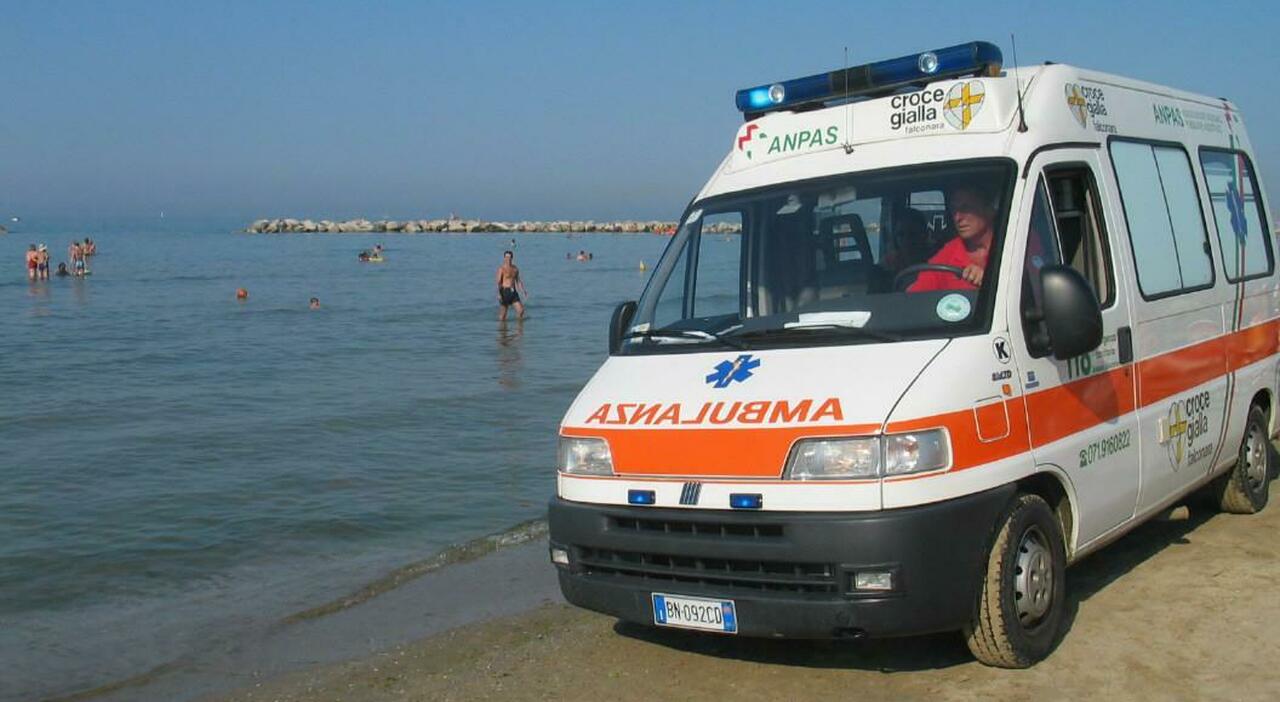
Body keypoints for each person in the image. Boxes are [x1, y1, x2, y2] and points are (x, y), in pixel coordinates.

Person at [907, 186, 996, 293]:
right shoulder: (949, 254)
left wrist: (989, 282)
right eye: (954, 210)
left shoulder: (1011, 244)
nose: (958, 217)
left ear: (989, 209)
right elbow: (916, 295)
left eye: (966, 208)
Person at [495, 250, 527, 320]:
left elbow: (518, 281)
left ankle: (519, 326)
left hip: (513, 292)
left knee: (521, 311)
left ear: (512, 258)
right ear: (504, 258)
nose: (508, 259)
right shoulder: (501, 269)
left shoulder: (515, 269)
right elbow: (498, 283)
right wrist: (499, 294)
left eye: (509, 257)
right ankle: (502, 326)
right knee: (503, 316)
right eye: (506, 257)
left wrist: (523, 291)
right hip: (504, 292)